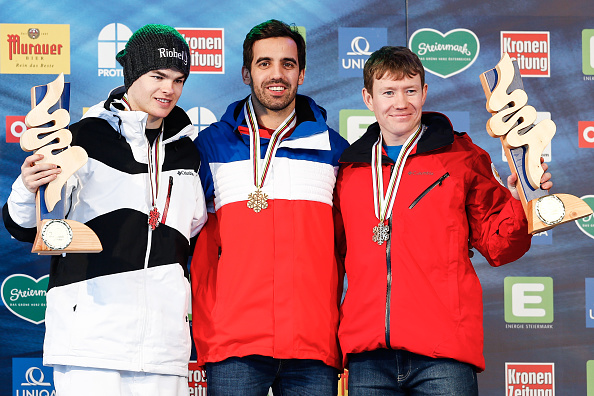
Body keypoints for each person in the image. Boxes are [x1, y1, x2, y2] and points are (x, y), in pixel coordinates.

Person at [333, 46, 553, 395]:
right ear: (368, 98)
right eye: (388, 92)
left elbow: (498, 245)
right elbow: (331, 259)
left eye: (409, 90)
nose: (400, 102)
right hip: (368, 356)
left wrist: (518, 200)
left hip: (443, 354)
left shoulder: (462, 157)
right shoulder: (348, 170)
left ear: (424, 92)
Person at [2, 24, 207, 396]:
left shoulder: (188, 151)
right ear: (131, 75)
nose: (168, 89)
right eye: (157, 76)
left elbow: (193, 227)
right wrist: (27, 187)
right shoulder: (82, 137)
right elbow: (28, 226)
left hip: (164, 349)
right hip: (91, 345)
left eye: (178, 80)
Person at [190, 19, 349, 395]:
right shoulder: (210, 146)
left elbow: (351, 245)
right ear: (246, 73)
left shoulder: (335, 150)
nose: (276, 74)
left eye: (287, 64)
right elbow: (181, 231)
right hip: (234, 342)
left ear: (302, 73)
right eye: (264, 63)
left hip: (313, 343)